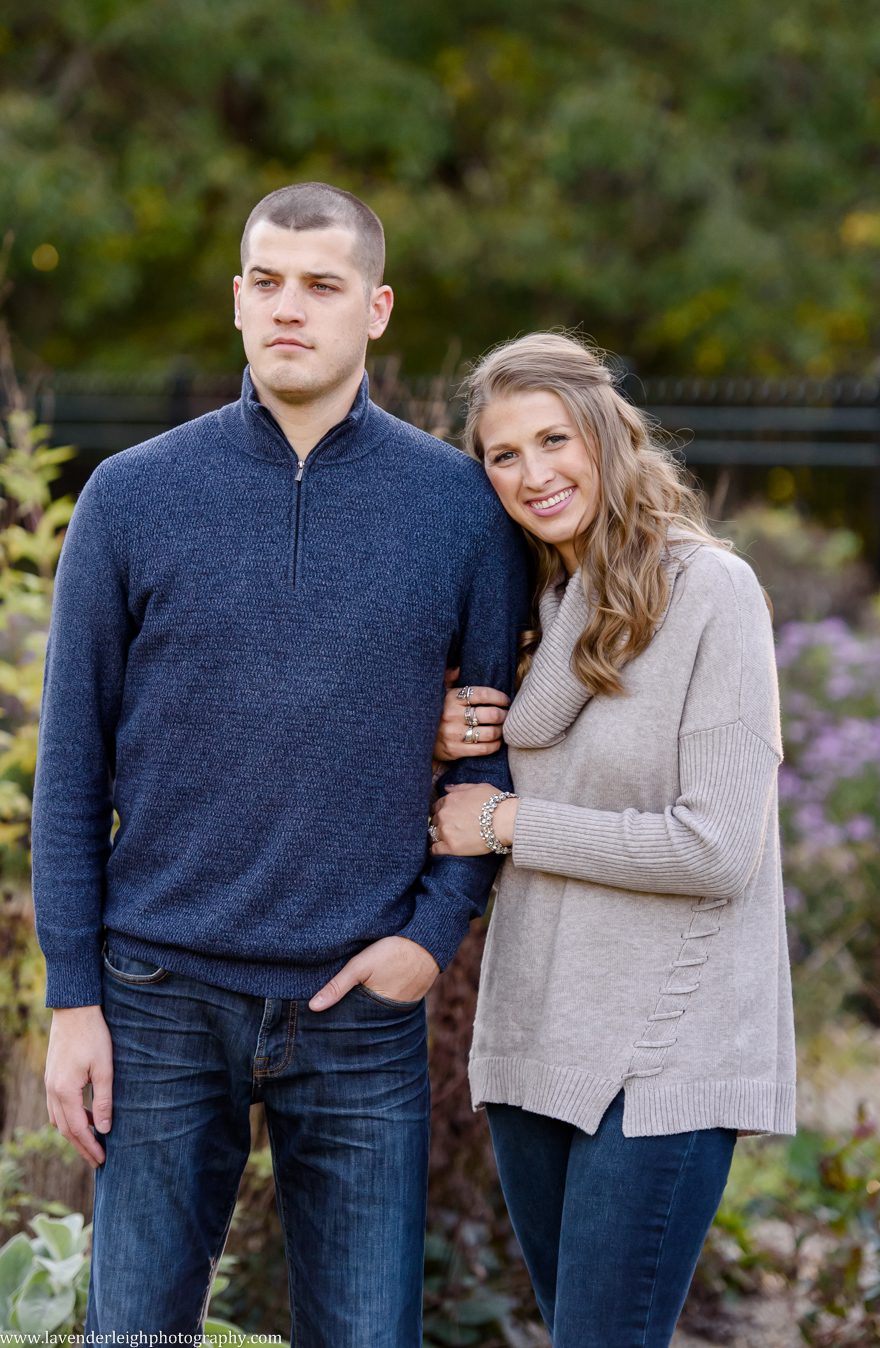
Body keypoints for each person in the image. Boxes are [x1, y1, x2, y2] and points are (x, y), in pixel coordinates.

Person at [31, 182, 527, 1347]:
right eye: (266, 281)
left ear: (378, 308)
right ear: (238, 300)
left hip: (357, 1002)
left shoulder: (461, 508)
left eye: (322, 284)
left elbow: (491, 751)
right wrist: (72, 995)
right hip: (158, 991)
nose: (288, 307)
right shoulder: (132, 495)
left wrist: (432, 934)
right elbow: (72, 759)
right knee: (135, 1336)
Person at [430, 332, 796, 1347]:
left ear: (606, 435)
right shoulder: (532, 612)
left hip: (666, 1048)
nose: (534, 474)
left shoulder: (710, 594)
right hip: (538, 1033)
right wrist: (439, 742)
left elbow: (719, 848)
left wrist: (509, 822)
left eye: (554, 440)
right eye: (503, 455)